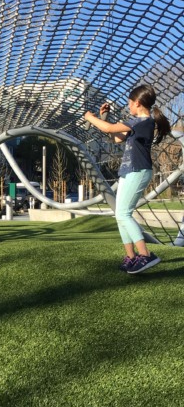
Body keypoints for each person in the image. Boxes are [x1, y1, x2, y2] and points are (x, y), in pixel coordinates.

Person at [83, 83, 171, 274]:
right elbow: (116, 137)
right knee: (120, 215)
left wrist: (90, 117)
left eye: (130, 103)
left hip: (138, 171)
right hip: (129, 171)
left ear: (138, 103)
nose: (128, 106)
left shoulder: (144, 122)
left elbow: (109, 130)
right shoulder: (136, 124)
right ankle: (132, 258)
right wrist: (103, 118)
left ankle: (146, 256)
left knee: (124, 214)